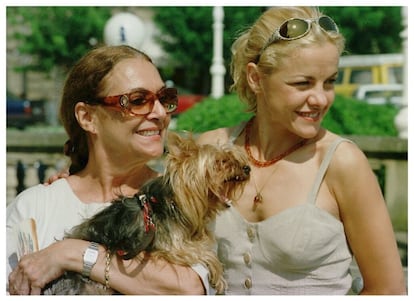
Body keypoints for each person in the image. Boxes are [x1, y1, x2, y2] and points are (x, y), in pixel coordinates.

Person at [196, 6, 406, 295]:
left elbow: (388, 290)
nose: (320, 98)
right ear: (256, 78)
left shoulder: (341, 162)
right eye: (302, 83)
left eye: (329, 82)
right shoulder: (208, 150)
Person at [7, 45, 208, 295]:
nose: (159, 113)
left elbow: (190, 289)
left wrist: (71, 253)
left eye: (164, 98)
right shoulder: (35, 207)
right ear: (87, 117)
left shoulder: (182, 199)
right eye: (138, 100)